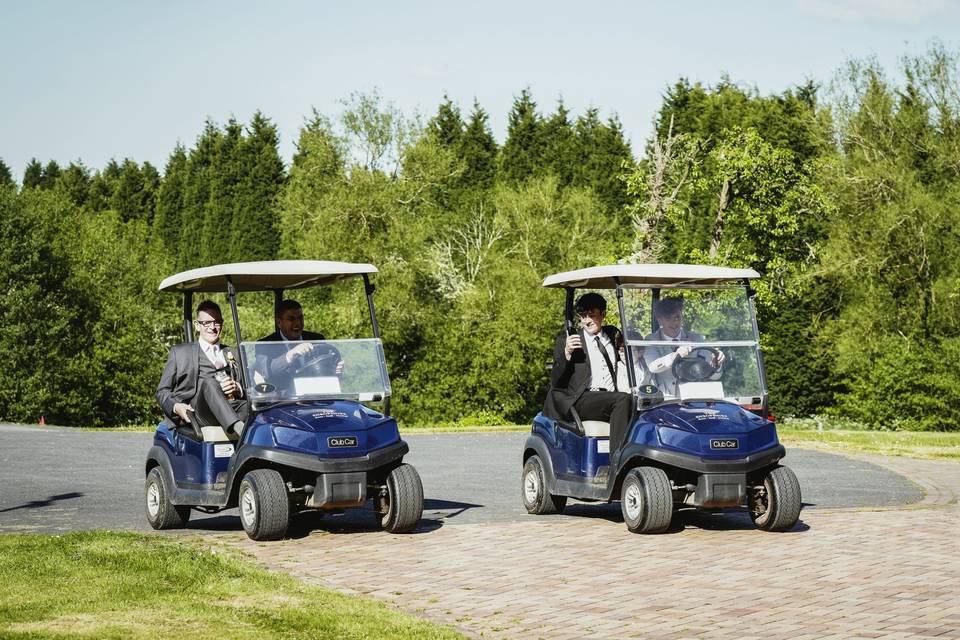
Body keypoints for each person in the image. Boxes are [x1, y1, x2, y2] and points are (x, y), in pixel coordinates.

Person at [544, 292, 632, 462]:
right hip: (582, 398)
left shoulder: (612, 336)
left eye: (591, 315)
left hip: (609, 397)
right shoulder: (569, 340)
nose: (587, 321)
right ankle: (618, 461)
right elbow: (556, 380)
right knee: (623, 400)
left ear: (603, 314)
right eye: (583, 316)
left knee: (643, 402)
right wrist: (567, 354)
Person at [156, 300, 248, 437]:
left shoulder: (233, 352)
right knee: (210, 382)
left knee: (259, 406)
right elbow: (162, 391)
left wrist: (238, 388)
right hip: (201, 413)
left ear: (221, 324)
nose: (212, 327)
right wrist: (177, 407)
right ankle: (238, 428)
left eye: (216, 322)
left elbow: (252, 388)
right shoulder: (180, 353)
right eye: (206, 323)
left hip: (234, 406)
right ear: (197, 325)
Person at [644, 297, 723, 397]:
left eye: (677, 317)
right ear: (660, 320)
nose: (674, 322)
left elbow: (715, 376)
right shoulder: (651, 340)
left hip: (694, 397)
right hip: (665, 399)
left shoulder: (697, 338)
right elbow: (653, 366)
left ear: (682, 317)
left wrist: (716, 363)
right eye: (668, 318)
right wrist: (675, 356)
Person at [258, 299, 342, 381]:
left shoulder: (316, 339)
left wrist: (335, 369)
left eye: (300, 318)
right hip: (284, 394)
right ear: (279, 323)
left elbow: (326, 370)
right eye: (291, 319)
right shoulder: (264, 345)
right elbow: (266, 373)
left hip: (314, 391)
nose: (297, 323)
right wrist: (291, 355)